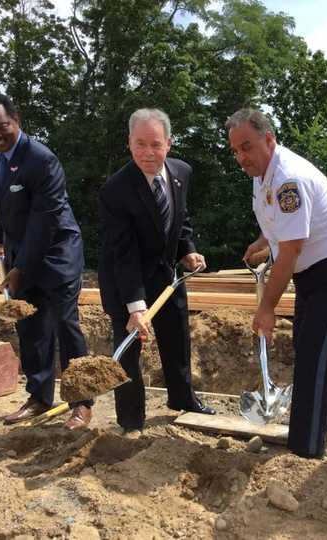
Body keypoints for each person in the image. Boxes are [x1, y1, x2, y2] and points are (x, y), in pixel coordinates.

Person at [226, 108, 327, 459]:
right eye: (235, 151)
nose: (241, 157)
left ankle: (305, 451)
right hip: (313, 271)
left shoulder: (288, 178)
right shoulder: (263, 173)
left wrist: (266, 309)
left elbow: (290, 251)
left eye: (247, 147)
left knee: (313, 361)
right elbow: (278, 220)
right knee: (309, 349)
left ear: (269, 139)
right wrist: (264, 240)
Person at [0, 92, 92, 430]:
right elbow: (4, 202)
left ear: (18, 119)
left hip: (57, 252)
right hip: (20, 253)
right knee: (30, 326)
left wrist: (19, 268)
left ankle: (81, 403)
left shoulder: (42, 159)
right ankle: (40, 397)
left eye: (2, 127)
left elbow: (45, 219)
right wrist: (0, 236)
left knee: (65, 325)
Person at [98, 108, 216, 435]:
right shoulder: (115, 191)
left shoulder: (181, 172)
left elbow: (181, 221)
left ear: (169, 143)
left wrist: (188, 252)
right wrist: (136, 308)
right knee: (130, 353)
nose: (148, 153)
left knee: (177, 340)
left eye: (155, 144)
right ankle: (131, 419)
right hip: (127, 283)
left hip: (167, 276)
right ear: (129, 144)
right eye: (140, 144)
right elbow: (124, 254)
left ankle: (182, 399)